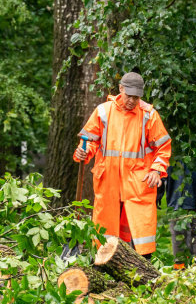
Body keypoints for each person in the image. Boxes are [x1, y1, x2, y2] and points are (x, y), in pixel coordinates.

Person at [73, 72, 171, 257]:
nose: (132, 101)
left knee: (139, 236)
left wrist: (157, 170)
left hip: (138, 185)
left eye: (137, 97)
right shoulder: (103, 111)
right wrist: (83, 152)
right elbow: (90, 141)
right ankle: (104, 270)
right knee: (105, 233)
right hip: (108, 182)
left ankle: (142, 275)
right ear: (120, 89)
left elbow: (163, 146)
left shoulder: (149, 115)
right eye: (129, 95)